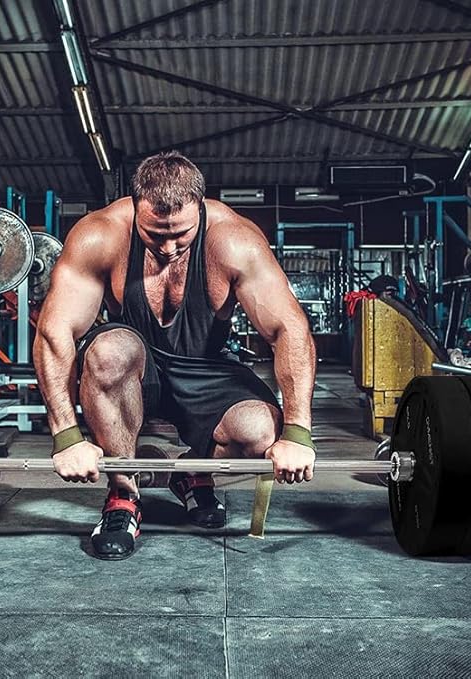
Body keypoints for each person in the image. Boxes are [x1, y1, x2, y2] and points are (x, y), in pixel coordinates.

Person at [33, 151, 316, 560]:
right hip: (134, 359)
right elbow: (55, 329)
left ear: (199, 207)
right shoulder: (101, 235)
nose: (168, 247)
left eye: (180, 234)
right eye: (154, 234)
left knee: (261, 433)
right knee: (108, 351)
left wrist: (298, 433)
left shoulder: (234, 240)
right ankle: (123, 496)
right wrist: (66, 436)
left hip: (204, 367)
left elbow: (289, 329)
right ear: (135, 209)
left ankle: (192, 475)